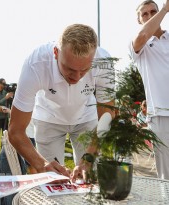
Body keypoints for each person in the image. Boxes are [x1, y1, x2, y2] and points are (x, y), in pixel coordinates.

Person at [8, 24, 115, 180]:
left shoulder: (104, 62)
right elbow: (15, 131)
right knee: (51, 179)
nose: (77, 77)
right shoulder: (36, 64)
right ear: (56, 53)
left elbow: (107, 116)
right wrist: (42, 164)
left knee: (92, 177)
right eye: (69, 69)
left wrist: (89, 159)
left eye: (84, 69)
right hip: (48, 117)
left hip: (86, 117)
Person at [129, 0, 169, 179]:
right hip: (160, 115)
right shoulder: (139, 45)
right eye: (144, 14)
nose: (150, 16)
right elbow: (143, 36)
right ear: (139, 20)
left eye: (153, 11)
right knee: (167, 175)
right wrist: (164, 10)